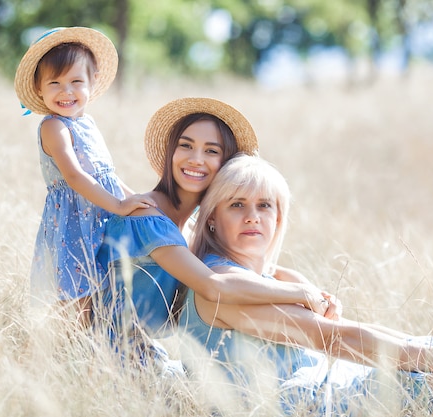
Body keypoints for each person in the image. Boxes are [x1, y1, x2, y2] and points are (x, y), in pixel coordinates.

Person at [178, 154, 433, 416]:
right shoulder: (220, 282)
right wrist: (432, 359)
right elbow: (331, 338)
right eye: (237, 204)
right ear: (212, 219)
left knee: (430, 365)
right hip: (281, 407)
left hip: (312, 392)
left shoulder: (271, 277)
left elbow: (345, 325)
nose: (253, 217)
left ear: (278, 217)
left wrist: (431, 349)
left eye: (264, 205)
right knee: (432, 379)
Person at [95, 98, 332, 368]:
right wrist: (299, 293)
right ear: (171, 151)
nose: (196, 159)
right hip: (108, 363)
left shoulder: (193, 227)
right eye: (185, 146)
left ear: (226, 165)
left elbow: (256, 271)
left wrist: (308, 288)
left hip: (144, 359)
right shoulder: (147, 218)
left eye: (211, 151)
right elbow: (213, 285)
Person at [14, 27, 155, 326]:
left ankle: (96, 354)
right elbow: (75, 177)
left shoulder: (88, 123)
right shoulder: (53, 127)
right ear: (39, 89)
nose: (66, 91)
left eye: (76, 81)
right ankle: (52, 358)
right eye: (55, 83)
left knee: (104, 296)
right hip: (74, 226)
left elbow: (106, 177)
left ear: (92, 82)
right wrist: (118, 206)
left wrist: (132, 199)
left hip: (99, 218)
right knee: (76, 304)